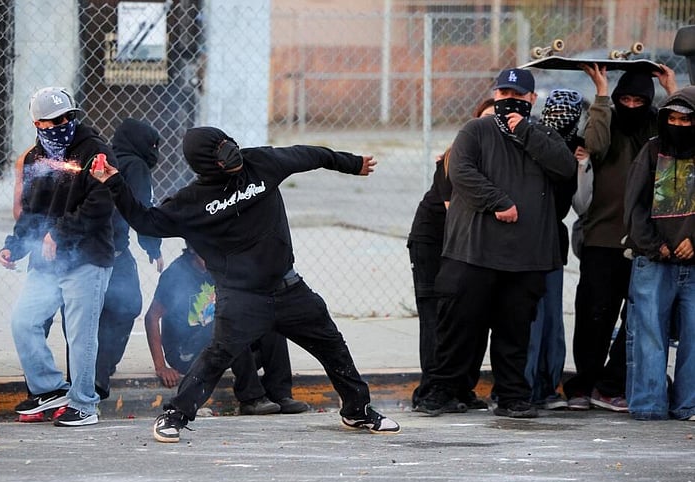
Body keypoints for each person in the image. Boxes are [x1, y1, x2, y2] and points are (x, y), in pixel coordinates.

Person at [92, 126, 400, 443]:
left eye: (229, 146)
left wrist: (351, 163)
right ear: (206, 164)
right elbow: (146, 221)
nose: (232, 155)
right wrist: (114, 182)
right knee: (216, 356)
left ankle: (357, 410)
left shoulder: (261, 163)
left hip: (289, 288)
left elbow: (310, 154)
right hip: (241, 299)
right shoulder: (191, 202)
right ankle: (175, 416)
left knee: (332, 345)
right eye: (221, 153)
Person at [415, 68, 576, 419]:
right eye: (504, 95)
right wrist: (498, 201)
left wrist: (525, 131)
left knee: (514, 332)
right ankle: (441, 391)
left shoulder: (544, 135)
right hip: (474, 253)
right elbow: (460, 172)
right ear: (495, 95)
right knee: (459, 328)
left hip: (525, 258)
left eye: (518, 96)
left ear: (532, 100)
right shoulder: (476, 130)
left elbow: (565, 169)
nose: (510, 102)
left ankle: (512, 396)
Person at [0, 87, 115, 427]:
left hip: (88, 259)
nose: (63, 124)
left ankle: (84, 404)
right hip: (47, 263)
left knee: (79, 334)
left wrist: (59, 233)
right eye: (53, 121)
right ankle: (49, 389)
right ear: (37, 123)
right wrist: (14, 246)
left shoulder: (96, 152)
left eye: (67, 117)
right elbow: (32, 212)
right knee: (24, 320)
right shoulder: (35, 158)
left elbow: (101, 203)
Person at [564, 64, 677, 411]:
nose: (630, 105)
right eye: (623, 98)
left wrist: (671, 89)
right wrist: (601, 92)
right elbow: (594, 145)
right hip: (602, 238)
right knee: (594, 317)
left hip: (645, 241)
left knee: (639, 320)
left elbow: (682, 127)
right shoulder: (606, 121)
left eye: (638, 100)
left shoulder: (657, 128)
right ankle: (584, 386)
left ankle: (613, 384)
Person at [144, 245, 310, 415]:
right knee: (230, 326)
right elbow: (151, 317)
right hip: (185, 351)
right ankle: (251, 399)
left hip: (220, 348)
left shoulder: (221, 268)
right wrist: (160, 366)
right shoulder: (176, 275)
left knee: (267, 321)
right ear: (193, 249)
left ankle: (280, 394)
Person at [409, 98, 494, 415]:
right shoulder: (455, 156)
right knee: (437, 317)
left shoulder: (501, 158)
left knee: (472, 318)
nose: (491, 123)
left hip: (469, 246)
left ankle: (461, 387)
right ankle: (432, 390)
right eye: (485, 117)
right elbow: (455, 212)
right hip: (435, 242)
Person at [623, 87, 695, 422]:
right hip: (653, 262)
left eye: (687, 119)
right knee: (649, 334)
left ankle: (688, 404)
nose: (679, 125)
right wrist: (655, 245)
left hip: (693, 263)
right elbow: (634, 207)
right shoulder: (651, 152)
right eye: (674, 119)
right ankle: (649, 405)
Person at [524, 89, 585, 410]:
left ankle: (546, 387)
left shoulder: (576, 150)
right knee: (529, 319)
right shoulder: (531, 138)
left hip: (551, 244)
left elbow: (569, 202)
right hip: (523, 243)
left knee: (550, 321)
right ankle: (525, 387)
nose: (560, 117)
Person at [95, 118, 164, 400]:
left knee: (96, 315)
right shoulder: (135, 165)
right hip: (113, 255)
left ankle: (96, 371)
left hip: (95, 251)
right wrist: (153, 247)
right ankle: (98, 375)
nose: (155, 151)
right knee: (127, 305)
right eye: (152, 145)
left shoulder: (108, 159)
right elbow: (140, 210)